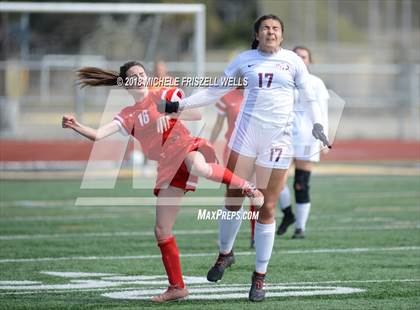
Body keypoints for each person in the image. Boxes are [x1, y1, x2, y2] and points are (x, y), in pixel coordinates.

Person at [158, 15, 330, 301]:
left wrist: (318, 124)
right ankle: (225, 253)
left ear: (282, 35)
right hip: (246, 137)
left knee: (267, 206)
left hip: (278, 141)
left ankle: (260, 276)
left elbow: (310, 98)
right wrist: (180, 104)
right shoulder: (244, 60)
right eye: (265, 28)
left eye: (275, 28)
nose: (271, 32)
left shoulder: (293, 61)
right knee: (233, 196)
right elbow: (215, 91)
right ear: (257, 33)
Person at [61, 61, 264, 302]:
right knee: (161, 229)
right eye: (133, 75)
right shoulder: (128, 114)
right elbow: (98, 135)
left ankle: (247, 187)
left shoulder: (162, 92)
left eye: (141, 72)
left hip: (185, 145)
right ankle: (177, 287)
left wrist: (169, 111)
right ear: (126, 84)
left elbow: (196, 112)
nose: (140, 77)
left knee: (197, 166)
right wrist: (75, 126)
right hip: (167, 164)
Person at [276, 46, 330, 239]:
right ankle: (288, 214)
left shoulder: (316, 83)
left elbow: (322, 112)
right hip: (285, 136)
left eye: (304, 56)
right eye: (296, 56)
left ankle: (300, 227)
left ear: (309, 61)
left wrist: (324, 138)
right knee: (277, 182)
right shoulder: (283, 81)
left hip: (308, 137)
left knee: (301, 184)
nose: (300, 59)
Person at [209, 88, 257, 249]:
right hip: (233, 150)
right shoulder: (227, 97)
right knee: (233, 195)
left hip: (254, 149)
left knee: (255, 191)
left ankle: (255, 236)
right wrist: (209, 145)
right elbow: (218, 125)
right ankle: (227, 239)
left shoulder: (258, 93)